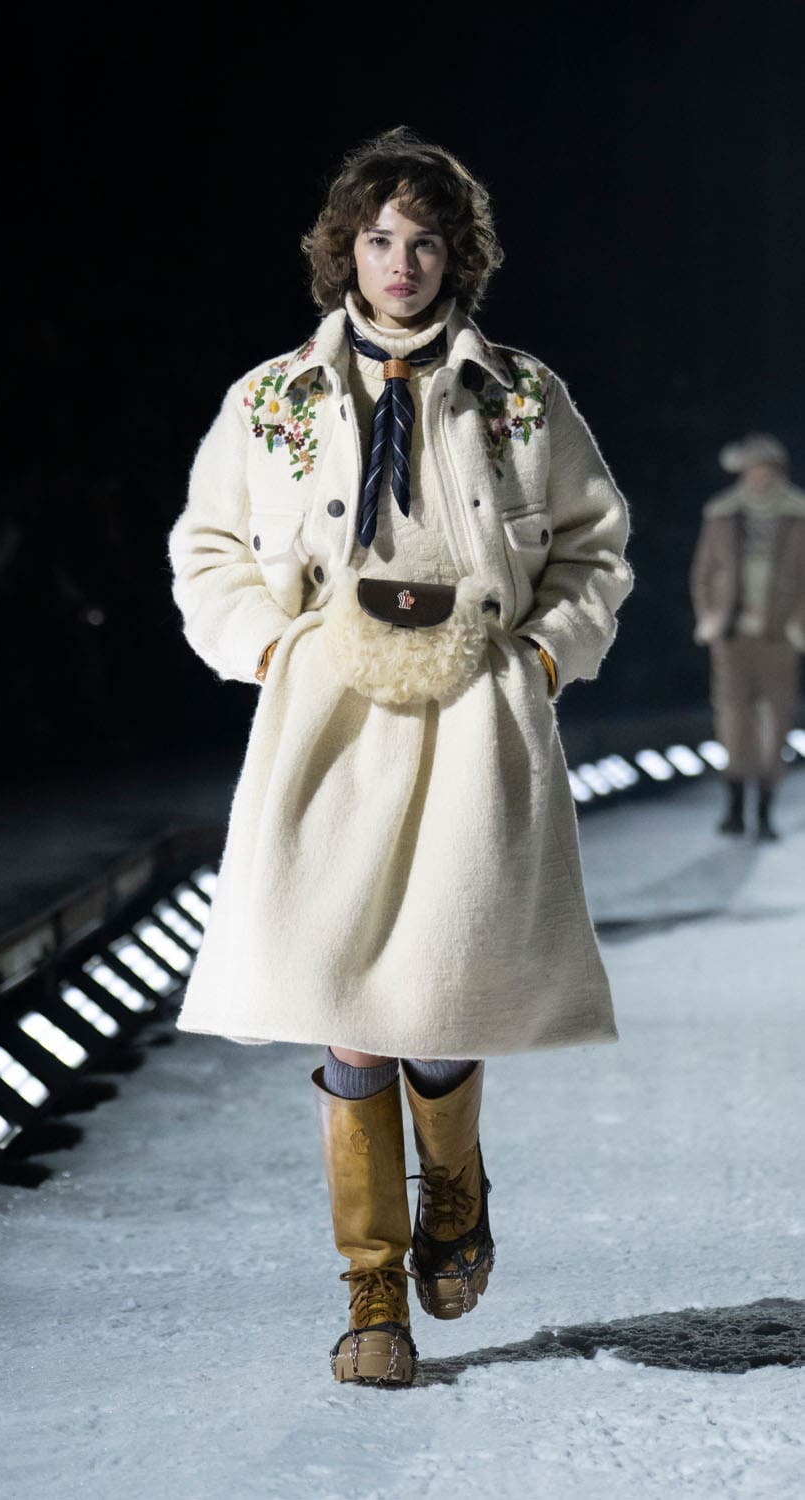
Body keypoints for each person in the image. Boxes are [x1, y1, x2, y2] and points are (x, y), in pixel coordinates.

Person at [168, 128, 632, 1387]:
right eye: (378, 238)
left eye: (425, 240)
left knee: (440, 1003)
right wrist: (275, 652)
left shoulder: (521, 394)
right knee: (351, 1015)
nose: (401, 261)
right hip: (330, 725)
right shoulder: (273, 399)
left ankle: (453, 1192)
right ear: (345, 251)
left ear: (456, 254)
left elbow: (594, 546)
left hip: (474, 718)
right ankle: (372, 1292)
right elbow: (207, 548)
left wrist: (543, 660)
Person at [690, 433, 805, 840]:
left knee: (776, 722)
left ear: (779, 472)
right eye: (753, 469)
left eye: (767, 470)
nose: (760, 477)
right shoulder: (722, 514)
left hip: (779, 637)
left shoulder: (799, 515)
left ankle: (765, 812)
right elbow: (704, 573)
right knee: (733, 720)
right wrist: (709, 618)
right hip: (732, 636)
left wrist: (798, 626)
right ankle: (735, 808)